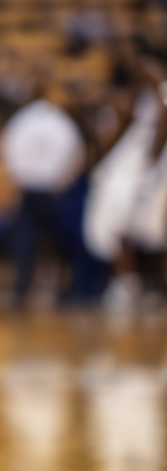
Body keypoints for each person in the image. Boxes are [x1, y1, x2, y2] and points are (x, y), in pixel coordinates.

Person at [84, 58, 167, 306]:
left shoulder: (158, 97)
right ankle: (127, 286)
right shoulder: (130, 107)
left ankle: (129, 285)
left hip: (150, 172)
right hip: (135, 173)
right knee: (119, 230)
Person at [0, 94, 85, 307]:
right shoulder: (60, 122)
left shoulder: (23, 120)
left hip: (30, 186)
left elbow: (7, 149)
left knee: (27, 239)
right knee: (52, 238)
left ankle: (22, 288)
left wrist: (17, 176)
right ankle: (61, 286)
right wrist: (63, 180)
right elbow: (78, 154)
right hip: (52, 189)